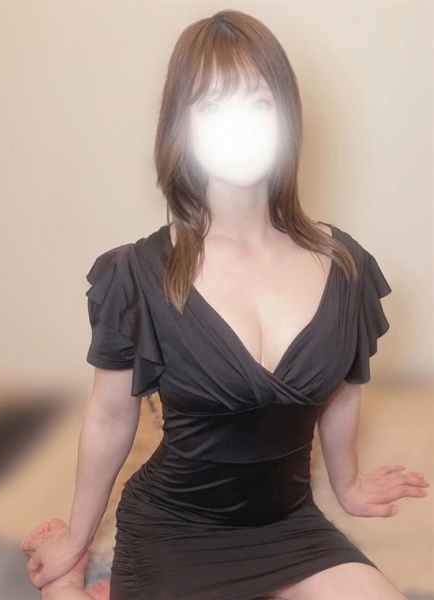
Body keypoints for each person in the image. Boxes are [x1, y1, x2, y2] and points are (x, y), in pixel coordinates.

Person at [21, 9, 429, 600]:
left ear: (285, 116)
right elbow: (109, 417)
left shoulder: (345, 264)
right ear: (181, 127)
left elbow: (344, 385)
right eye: (212, 106)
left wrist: (348, 486)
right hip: (176, 527)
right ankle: (71, 584)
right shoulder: (137, 274)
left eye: (257, 103)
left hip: (288, 525)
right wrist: (76, 535)